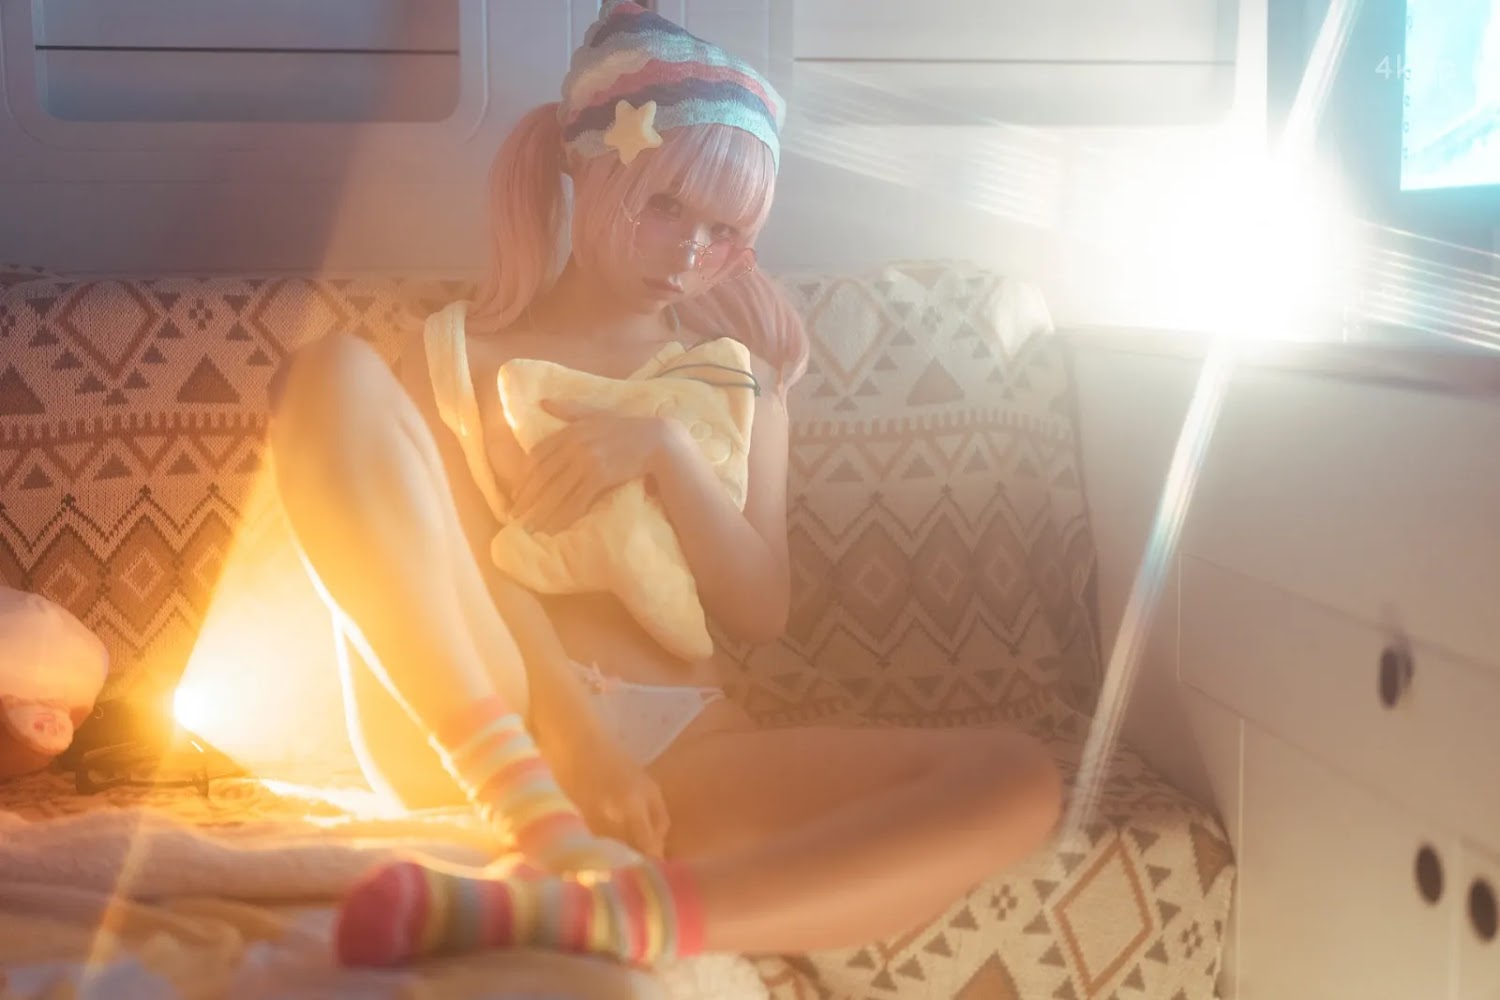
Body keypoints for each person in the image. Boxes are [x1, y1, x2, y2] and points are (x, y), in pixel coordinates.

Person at [268, 0, 1062, 970]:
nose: (689, 253)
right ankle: (527, 814)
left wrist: (663, 451)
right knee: (329, 374)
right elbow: (469, 565)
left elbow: (760, 610)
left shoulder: (742, 380)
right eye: (664, 208)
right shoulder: (460, 353)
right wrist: (569, 742)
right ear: (586, 168)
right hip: (490, 711)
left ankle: (611, 915)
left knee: (1018, 777)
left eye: (725, 231)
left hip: (684, 745)